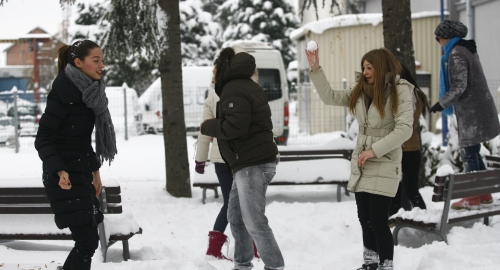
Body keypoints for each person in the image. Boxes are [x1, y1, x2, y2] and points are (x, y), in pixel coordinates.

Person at [306, 47, 414, 270]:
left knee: (378, 221)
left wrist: (375, 150)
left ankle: (386, 265)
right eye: (363, 67)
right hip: (363, 162)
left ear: (381, 66)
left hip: (383, 161)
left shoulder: (399, 90)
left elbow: (404, 129)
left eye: (369, 67)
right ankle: (370, 264)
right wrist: (316, 69)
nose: (365, 72)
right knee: (364, 219)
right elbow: (330, 97)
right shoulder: (361, 90)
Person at [35, 39, 117, 270]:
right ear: (78, 62)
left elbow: (81, 140)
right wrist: (59, 170)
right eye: (96, 60)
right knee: (87, 240)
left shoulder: (90, 92)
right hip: (63, 177)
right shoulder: (64, 91)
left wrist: (95, 171)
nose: (102, 65)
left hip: (80, 171)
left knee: (87, 240)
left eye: (102, 60)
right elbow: (43, 138)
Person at [200, 47, 284, 270]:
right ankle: (242, 264)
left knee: (254, 221)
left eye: (215, 68)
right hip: (247, 162)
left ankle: (275, 266)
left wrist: (208, 126)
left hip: (252, 163)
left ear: (223, 69)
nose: (213, 73)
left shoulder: (234, 89)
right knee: (236, 218)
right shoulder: (244, 86)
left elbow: (235, 127)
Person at [195, 55, 260, 260]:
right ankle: (249, 246)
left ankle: (218, 248)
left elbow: (204, 130)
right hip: (238, 157)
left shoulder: (214, 97)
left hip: (224, 159)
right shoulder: (244, 91)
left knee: (234, 203)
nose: (213, 76)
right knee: (242, 203)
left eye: (216, 72)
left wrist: (201, 158)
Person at [430, 20, 500, 210]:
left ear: (446, 37)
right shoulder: (467, 49)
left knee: (469, 154)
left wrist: (441, 103)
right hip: (478, 109)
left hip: (472, 113)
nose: (438, 42)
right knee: (473, 153)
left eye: (439, 38)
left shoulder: (456, 54)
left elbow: (459, 85)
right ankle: (484, 193)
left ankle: (472, 196)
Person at [389, 65, 428, 216]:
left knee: (410, 190)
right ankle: (391, 224)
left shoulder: (410, 95)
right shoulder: (410, 94)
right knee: (398, 190)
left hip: (407, 149)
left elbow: (405, 123)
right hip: (407, 148)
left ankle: (425, 219)